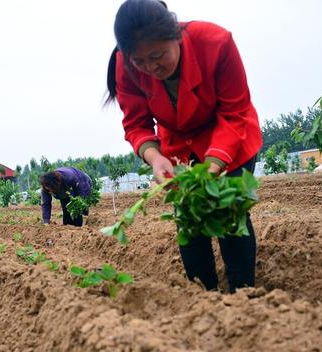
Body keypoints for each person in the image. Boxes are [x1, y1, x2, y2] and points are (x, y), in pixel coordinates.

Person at [106, 0, 263, 293]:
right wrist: (154, 158)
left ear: (176, 35)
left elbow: (234, 112)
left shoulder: (216, 43)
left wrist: (214, 165)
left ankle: (244, 297)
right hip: (178, 148)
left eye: (158, 55)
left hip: (230, 136)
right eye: (139, 62)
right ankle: (203, 297)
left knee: (230, 214)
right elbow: (136, 124)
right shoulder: (123, 65)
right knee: (189, 220)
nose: (151, 67)